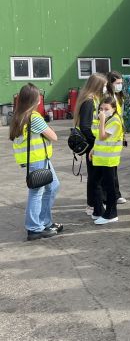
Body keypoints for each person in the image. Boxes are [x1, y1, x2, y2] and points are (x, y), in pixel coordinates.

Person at [10, 83, 62, 240]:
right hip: (37, 159)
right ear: (34, 99)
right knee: (37, 192)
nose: (40, 98)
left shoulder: (19, 115)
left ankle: (45, 222)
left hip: (36, 159)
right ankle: (34, 228)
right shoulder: (34, 117)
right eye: (38, 96)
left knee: (53, 186)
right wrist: (49, 132)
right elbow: (54, 137)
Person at [74, 73, 108, 216]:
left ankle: (95, 204)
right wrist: (96, 142)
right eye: (104, 85)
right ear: (97, 86)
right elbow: (85, 126)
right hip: (93, 145)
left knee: (96, 176)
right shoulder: (89, 102)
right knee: (95, 177)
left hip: (95, 144)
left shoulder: (94, 100)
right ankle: (92, 205)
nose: (106, 88)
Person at [90, 95, 124, 225]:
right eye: (101, 109)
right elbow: (99, 138)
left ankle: (111, 213)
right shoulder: (108, 119)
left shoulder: (115, 121)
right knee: (95, 183)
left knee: (110, 188)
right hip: (101, 158)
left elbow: (103, 136)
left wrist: (102, 120)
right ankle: (99, 210)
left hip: (109, 159)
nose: (103, 111)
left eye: (106, 109)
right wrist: (93, 148)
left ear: (114, 108)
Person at [106, 71, 126, 204]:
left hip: (117, 135)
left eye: (121, 83)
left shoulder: (118, 96)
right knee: (109, 167)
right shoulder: (106, 97)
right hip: (108, 135)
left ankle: (116, 194)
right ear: (110, 83)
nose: (120, 85)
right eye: (117, 83)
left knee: (114, 166)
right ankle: (112, 195)